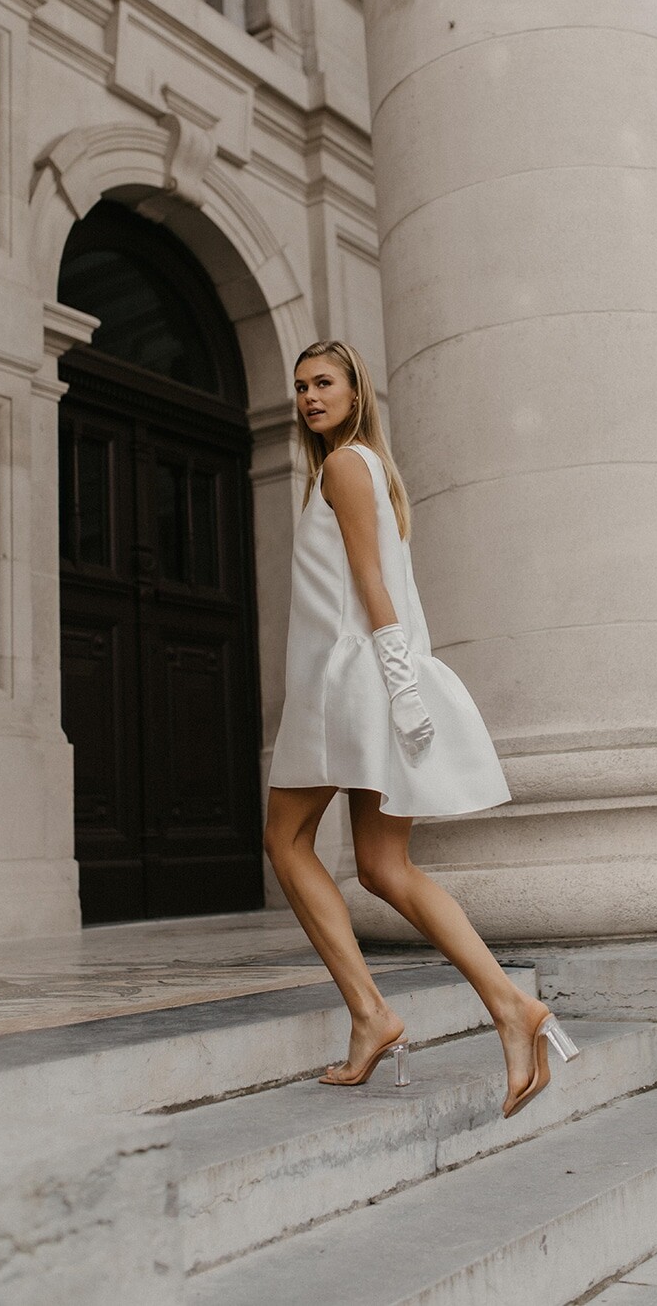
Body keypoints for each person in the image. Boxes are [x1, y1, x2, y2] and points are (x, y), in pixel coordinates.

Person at [264, 340, 578, 1119]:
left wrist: (402, 687)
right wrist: (400, 682)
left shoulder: (344, 466)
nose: (309, 397)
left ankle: (370, 1012)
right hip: (370, 677)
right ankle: (511, 1006)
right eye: (299, 387)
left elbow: (371, 581)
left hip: (346, 681)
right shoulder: (371, 468)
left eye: (324, 383)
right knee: (382, 866)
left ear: (356, 391)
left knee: (285, 838)